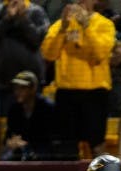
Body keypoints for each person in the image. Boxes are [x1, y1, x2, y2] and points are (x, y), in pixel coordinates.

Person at [40, 0, 116, 159]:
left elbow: (99, 53)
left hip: (95, 92)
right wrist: (62, 29)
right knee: (66, 146)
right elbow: (48, 54)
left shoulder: (105, 24)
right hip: (66, 91)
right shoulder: (61, 24)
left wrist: (86, 26)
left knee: (97, 145)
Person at [0, 0, 49, 116]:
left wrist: (23, 19)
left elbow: (37, 39)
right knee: (5, 125)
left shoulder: (36, 12)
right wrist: (7, 19)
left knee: (35, 123)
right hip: (4, 82)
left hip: (31, 83)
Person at [1, 70, 57, 161]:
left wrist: (26, 144)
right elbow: (9, 134)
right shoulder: (14, 109)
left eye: (22, 88)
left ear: (33, 88)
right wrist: (10, 141)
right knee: (6, 155)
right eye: (15, 88)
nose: (17, 91)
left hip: (44, 150)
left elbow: (50, 138)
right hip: (21, 149)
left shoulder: (47, 107)